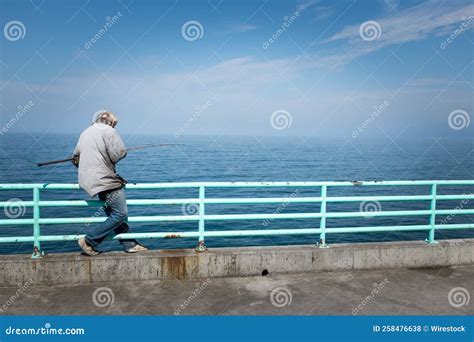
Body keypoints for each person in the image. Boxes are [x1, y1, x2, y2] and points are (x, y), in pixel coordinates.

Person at [72, 109, 147, 255]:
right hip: (105, 180)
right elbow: (118, 154)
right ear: (111, 122)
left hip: (90, 181)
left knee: (114, 214)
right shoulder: (109, 131)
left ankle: (130, 244)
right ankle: (89, 240)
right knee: (120, 214)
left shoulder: (85, 132)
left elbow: (75, 158)